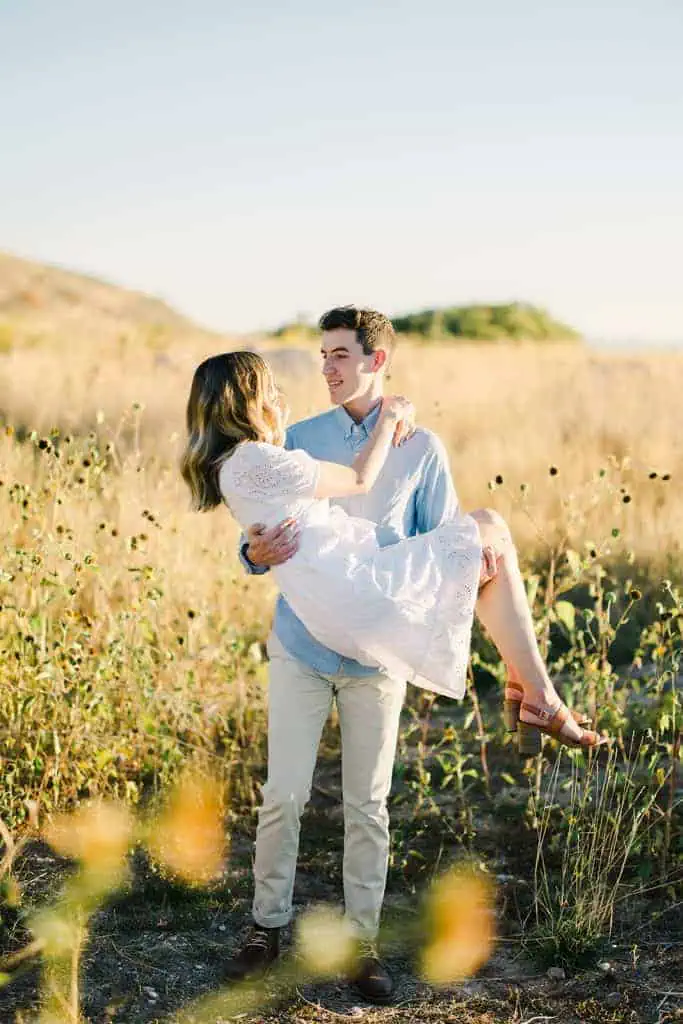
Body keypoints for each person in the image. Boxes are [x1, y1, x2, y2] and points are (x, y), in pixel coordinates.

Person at [180, 309, 605, 1001]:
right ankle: (265, 928)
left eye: (341, 355)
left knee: (367, 805)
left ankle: (363, 942)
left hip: (376, 646)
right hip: (302, 644)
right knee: (281, 798)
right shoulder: (292, 438)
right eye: (321, 356)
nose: (327, 369)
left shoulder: (423, 448)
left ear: (378, 362)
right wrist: (250, 554)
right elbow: (261, 528)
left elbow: (440, 550)